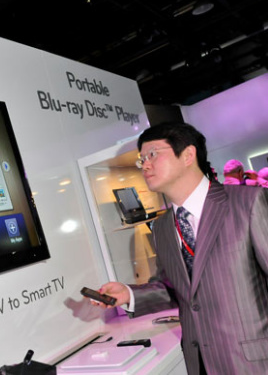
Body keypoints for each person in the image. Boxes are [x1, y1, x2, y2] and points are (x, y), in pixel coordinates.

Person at [91, 122, 268, 374]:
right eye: (142, 160)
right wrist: (129, 295)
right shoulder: (162, 227)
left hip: (255, 363)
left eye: (152, 154)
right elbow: (175, 289)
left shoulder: (247, 204)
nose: (145, 165)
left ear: (188, 155)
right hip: (201, 363)